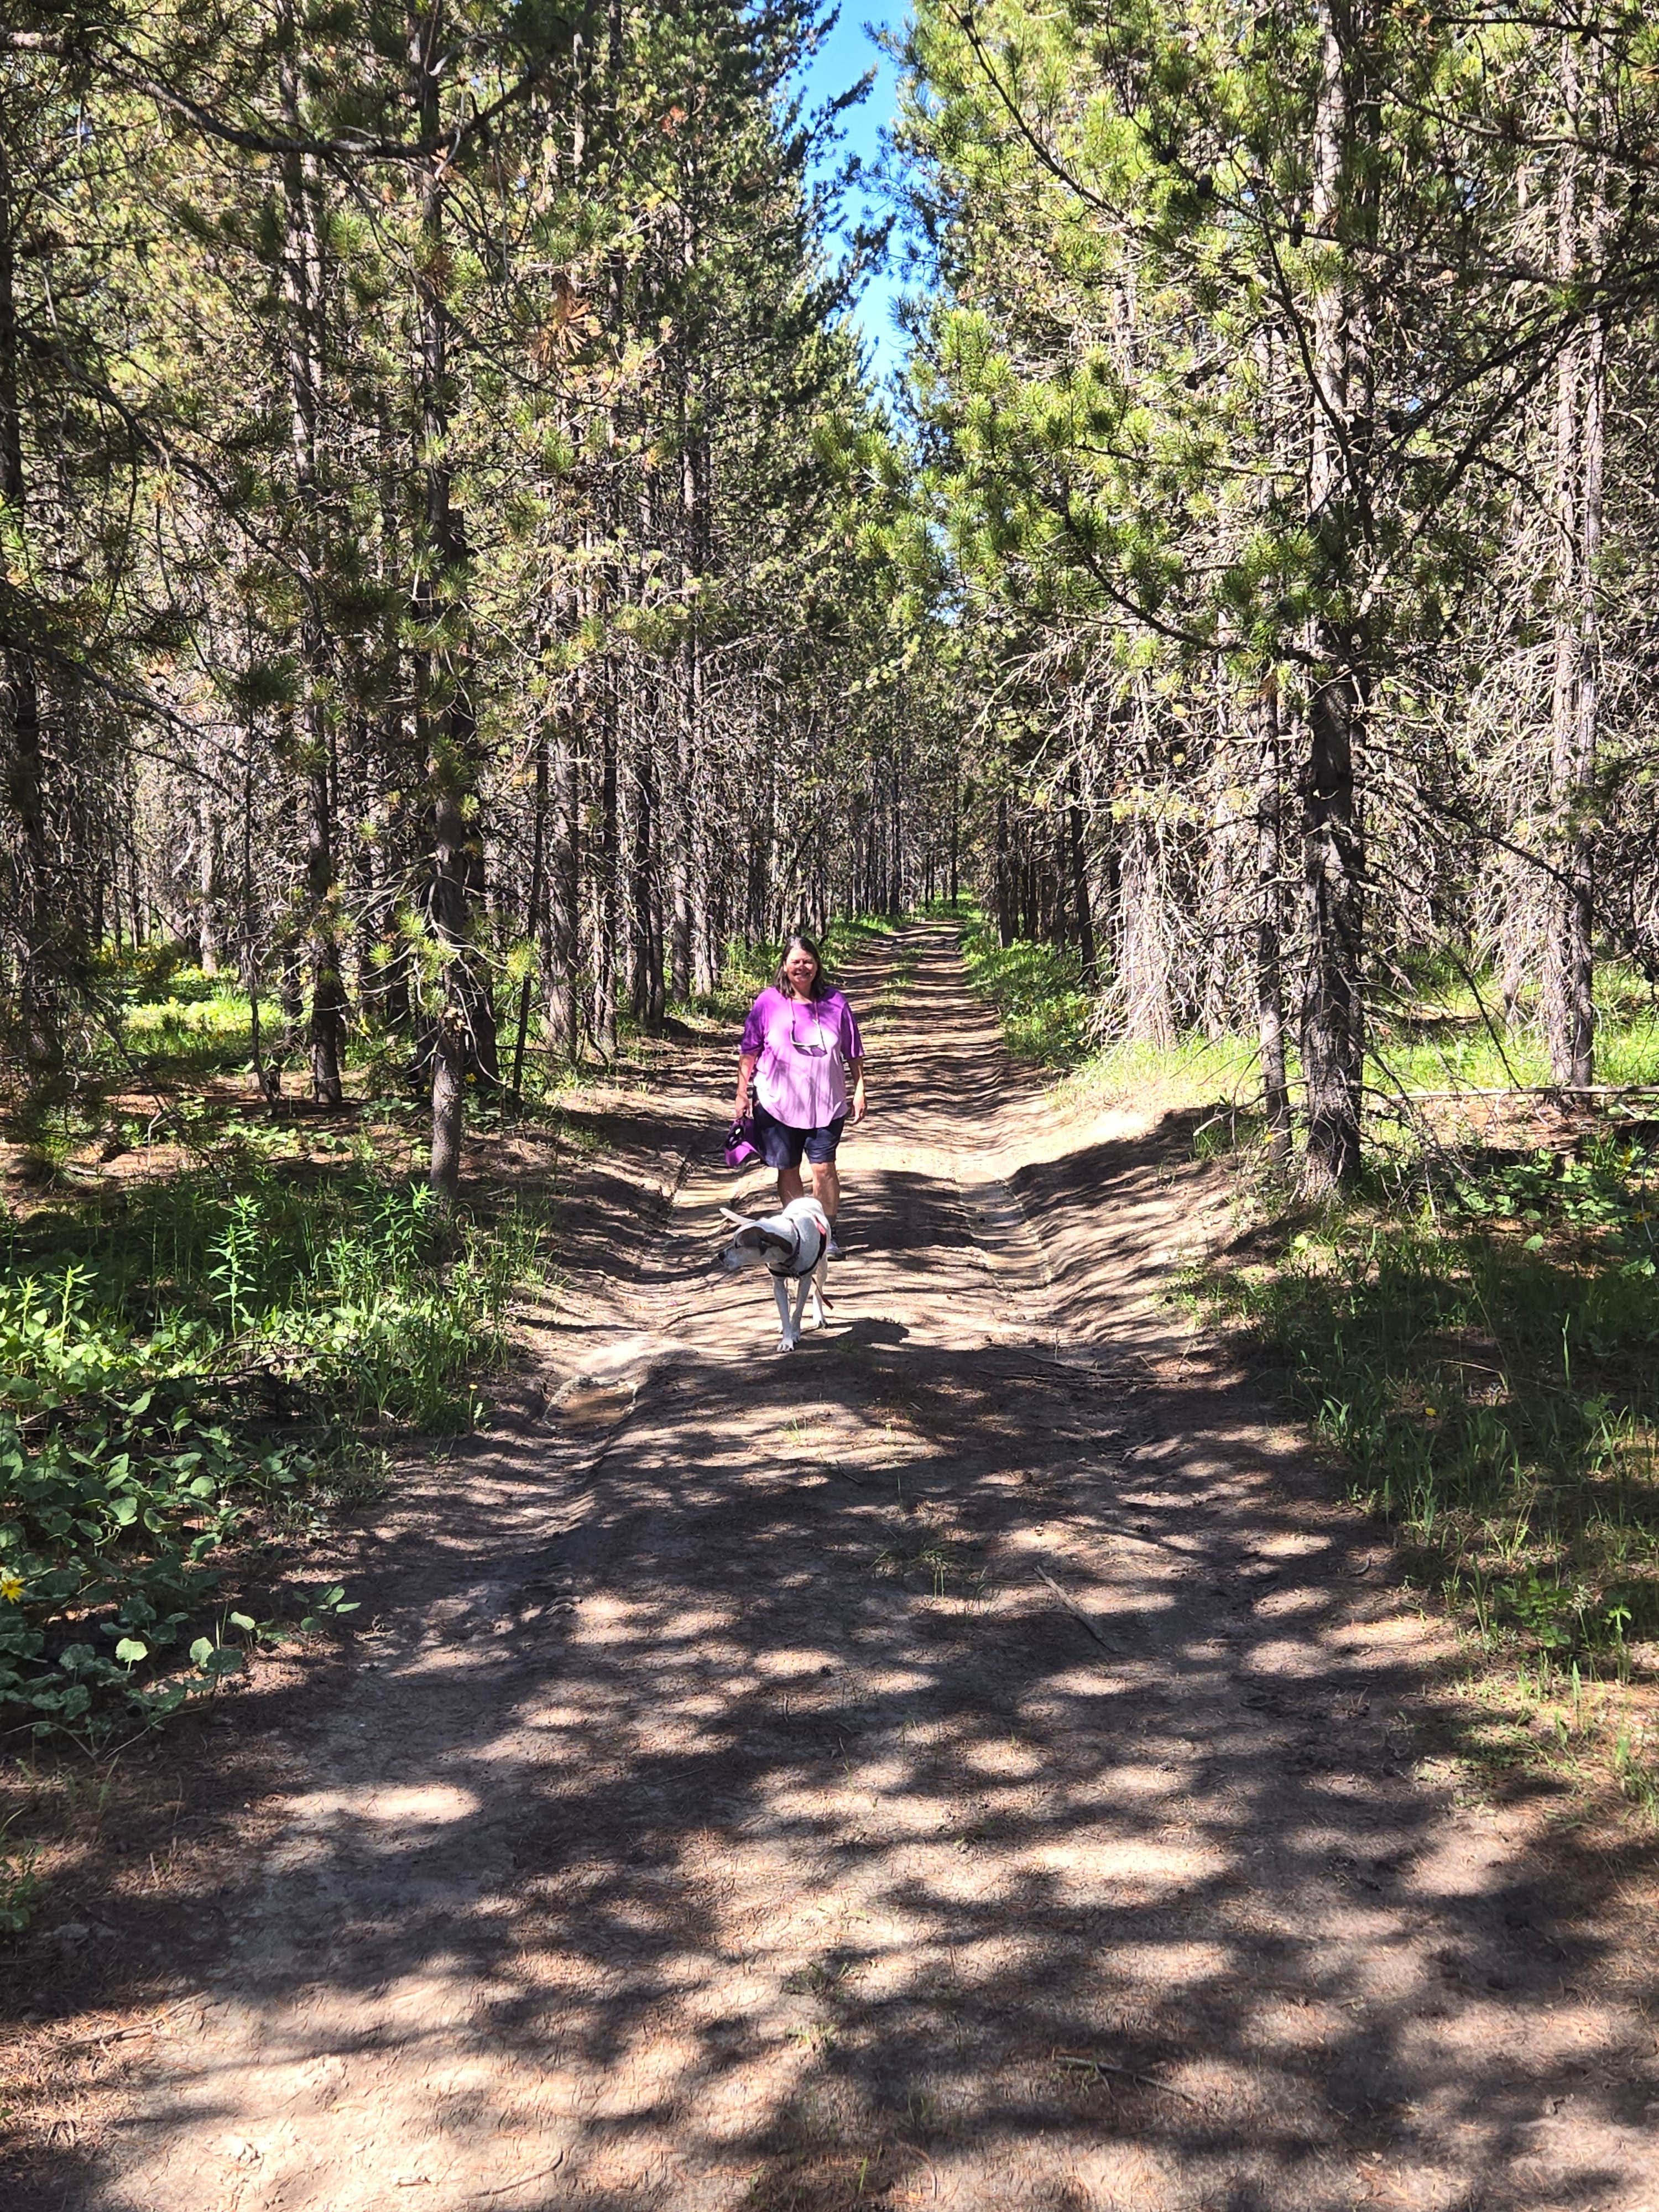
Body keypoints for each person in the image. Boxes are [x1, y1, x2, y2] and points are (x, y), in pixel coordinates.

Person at [735, 933, 865, 1254]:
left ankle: (825, 1235)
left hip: (827, 1102)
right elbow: (749, 1052)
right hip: (777, 1104)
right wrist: (742, 1093)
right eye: (795, 962)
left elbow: (853, 1051)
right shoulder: (768, 1002)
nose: (802, 967)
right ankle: (797, 1231)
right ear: (784, 966)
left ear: (818, 965)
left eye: (808, 961)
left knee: (824, 1168)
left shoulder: (836, 1002)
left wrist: (860, 1089)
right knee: (788, 1167)